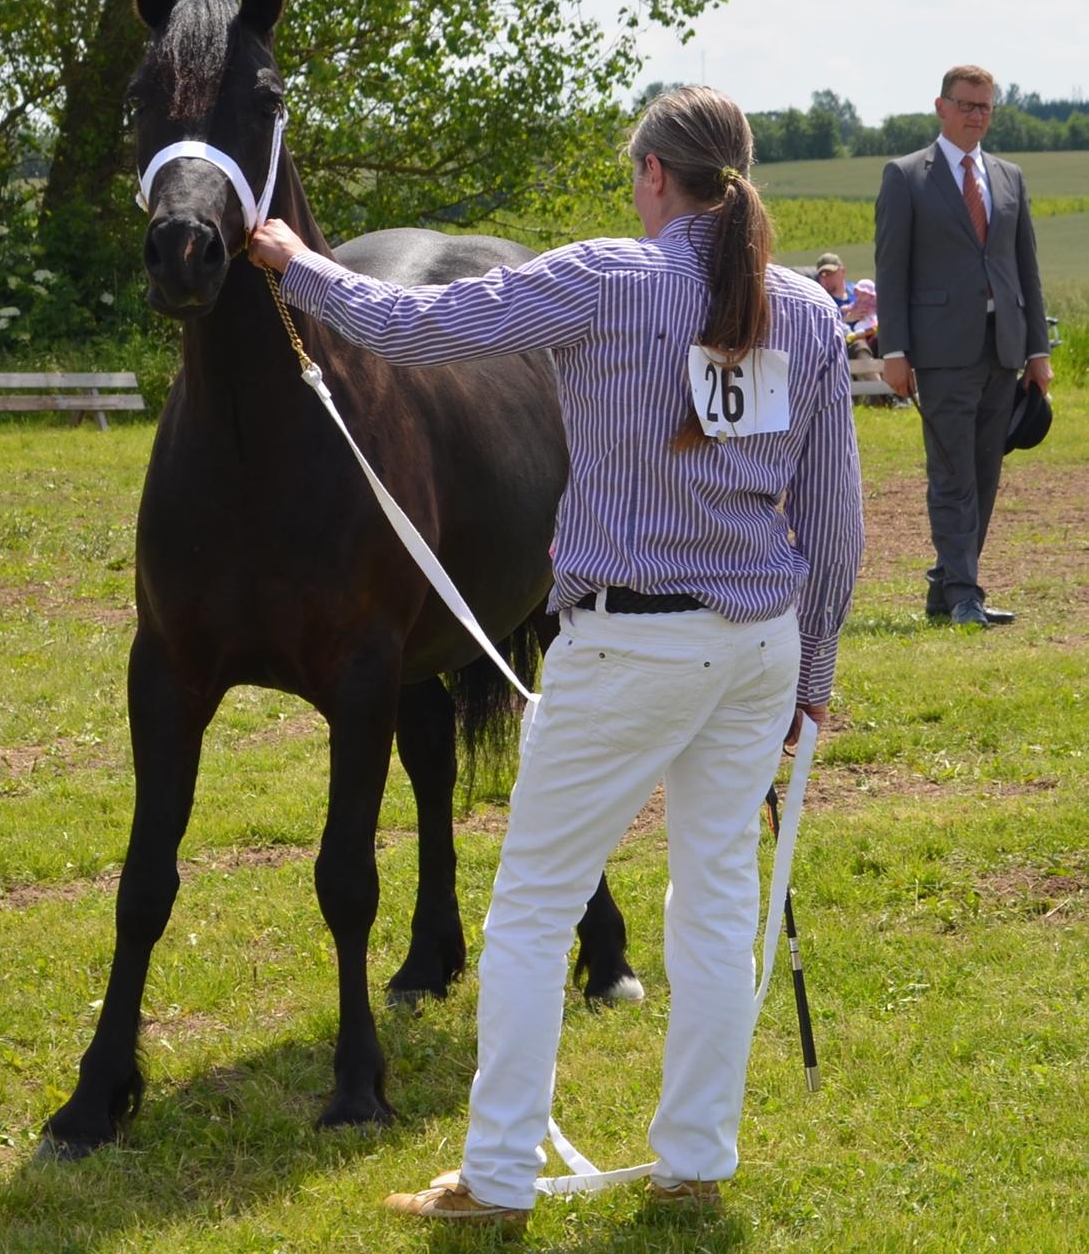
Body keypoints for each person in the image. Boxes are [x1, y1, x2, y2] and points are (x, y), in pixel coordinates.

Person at [249, 85, 864, 1232]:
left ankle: (492, 1175)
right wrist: (815, 675)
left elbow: (410, 329)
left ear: (651, 176)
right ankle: (693, 1159)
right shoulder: (809, 314)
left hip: (632, 640)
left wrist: (296, 261)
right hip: (759, 650)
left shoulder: (606, 277)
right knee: (717, 901)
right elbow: (835, 528)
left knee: (532, 906)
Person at [875, 64, 1053, 628]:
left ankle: (946, 586)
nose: (977, 115)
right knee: (952, 474)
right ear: (941, 107)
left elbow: (1026, 267)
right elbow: (891, 269)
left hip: (1003, 349)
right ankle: (965, 594)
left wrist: (1038, 350)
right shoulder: (906, 177)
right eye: (967, 104)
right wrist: (895, 349)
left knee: (983, 473)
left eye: (985, 107)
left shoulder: (1009, 176)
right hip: (940, 352)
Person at [814, 251, 881, 383]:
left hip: (870, 335)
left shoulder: (859, 291)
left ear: (842, 272)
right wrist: (847, 319)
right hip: (844, 346)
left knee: (886, 337)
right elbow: (820, 330)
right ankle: (885, 395)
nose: (826, 278)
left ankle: (904, 391)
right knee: (859, 346)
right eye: (822, 275)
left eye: (830, 273)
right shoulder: (819, 300)